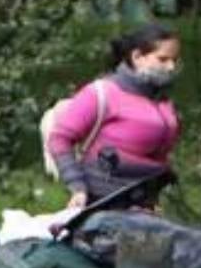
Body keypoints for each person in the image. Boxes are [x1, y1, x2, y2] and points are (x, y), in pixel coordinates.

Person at [46, 24, 181, 210]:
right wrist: (77, 187)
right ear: (137, 57)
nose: (171, 67)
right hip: (101, 204)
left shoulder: (162, 101)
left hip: (144, 205)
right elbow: (60, 138)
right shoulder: (101, 93)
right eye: (163, 59)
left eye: (175, 60)